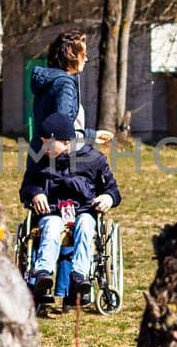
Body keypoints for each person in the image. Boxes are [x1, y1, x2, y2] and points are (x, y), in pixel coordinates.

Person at [19, 110, 121, 303]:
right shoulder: (40, 160)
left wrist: (108, 197)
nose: (44, 146)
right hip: (51, 211)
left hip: (83, 211)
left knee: (85, 225)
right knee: (53, 226)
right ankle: (43, 274)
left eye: (48, 142)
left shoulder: (94, 160)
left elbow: (112, 189)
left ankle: (79, 277)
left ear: (66, 141)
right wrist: (35, 193)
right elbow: (26, 186)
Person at [29, 28, 87, 153]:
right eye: (83, 55)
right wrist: (91, 135)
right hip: (57, 158)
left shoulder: (51, 80)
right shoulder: (64, 84)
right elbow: (61, 127)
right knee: (99, 163)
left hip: (38, 152)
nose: (86, 59)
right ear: (71, 55)